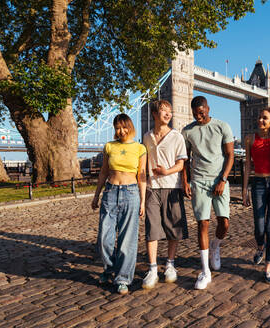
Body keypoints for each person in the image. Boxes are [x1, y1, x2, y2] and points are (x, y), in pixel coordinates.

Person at [182, 96, 234, 290]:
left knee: (224, 223)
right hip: (199, 181)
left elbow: (230, 155)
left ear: (208, 109)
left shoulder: (222, 126)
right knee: (203, 223)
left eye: (202, 113)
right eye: (195, 114)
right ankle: (205, 271)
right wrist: (185, 181)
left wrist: (223, 179)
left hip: (219, 180)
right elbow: (185, 159)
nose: (199, 116)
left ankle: (215, 246)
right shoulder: (187, 131)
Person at [91, 114, 147, 295]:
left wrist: (143, 201)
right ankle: (109, 269)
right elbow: (103, 172)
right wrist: (96, 195)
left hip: (131, 193)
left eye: (124, 127)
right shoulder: (109, 146)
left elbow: (142, 176)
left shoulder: (140, 148)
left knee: (127, 241)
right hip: (110, 192)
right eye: (117, 128)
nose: (121, 131)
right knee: (103, 239)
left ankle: (122, 279)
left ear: (130, 126)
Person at [141, 100, 189, 289]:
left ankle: (170, 264)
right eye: (163, 111)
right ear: (154, 114)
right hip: (152, 187)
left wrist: (166, 172)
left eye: (170, 111)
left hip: (172, 187)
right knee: (151, 228)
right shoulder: (146, 137)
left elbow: (181, 164)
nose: (168, 114)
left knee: (173, 228)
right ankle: (152, 268)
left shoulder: (177, 136)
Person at [242, 108, 270, 284]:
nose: (261, 120)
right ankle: (260, 247)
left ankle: (268, 268)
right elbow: (247, 165)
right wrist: (244, 190)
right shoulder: (250, 139)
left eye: (265, 118)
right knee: (259, 227)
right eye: (259, 117)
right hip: (258, 184)